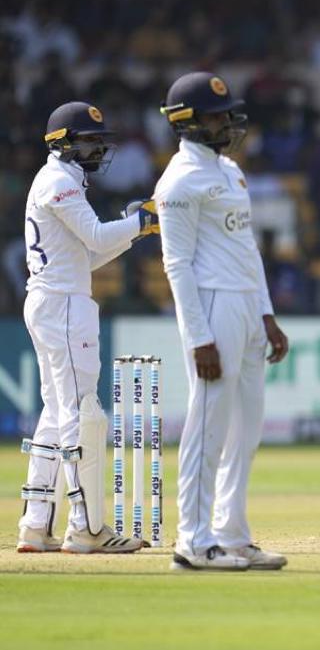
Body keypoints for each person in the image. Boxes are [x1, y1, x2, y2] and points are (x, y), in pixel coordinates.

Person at [153, 72, 290, 570]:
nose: (227, 121)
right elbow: (177, 264)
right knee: (208, 427)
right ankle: (192, 540)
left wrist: (267, 314)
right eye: (215, 114)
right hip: (212, 306)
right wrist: (199, 338)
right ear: (186, 122)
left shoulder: (229, 170)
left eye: (227, 112)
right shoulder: (180, 181)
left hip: (247, 308)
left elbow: (246, 248)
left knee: (245, 431)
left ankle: (232, 534)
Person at [17, 101, 158, 553]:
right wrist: (139, 221)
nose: (97, 148)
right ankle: (85, 528)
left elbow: (90, 255)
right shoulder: (60, 182)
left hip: (53, 300)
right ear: (63, 143)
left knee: (56, 415)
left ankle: (35, 527)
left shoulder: (59, 179)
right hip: (61, 306)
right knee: (81, 413)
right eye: (89, 140)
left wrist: (134, 230)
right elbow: (97, 239)